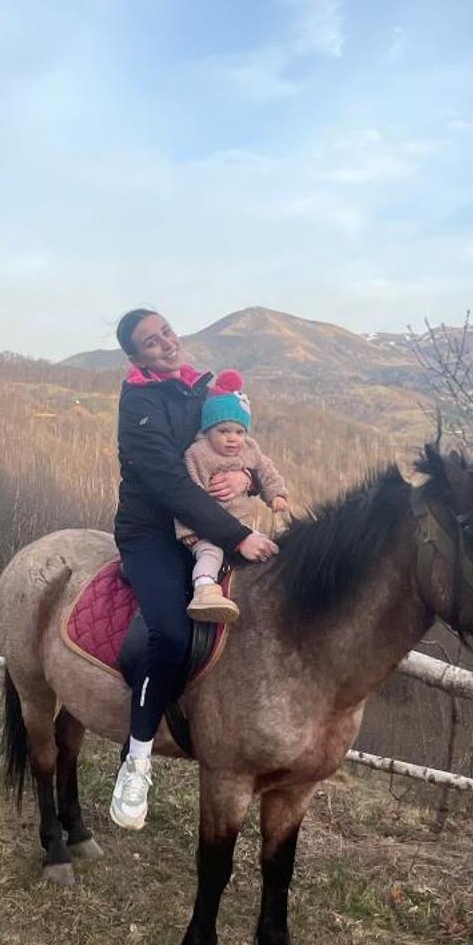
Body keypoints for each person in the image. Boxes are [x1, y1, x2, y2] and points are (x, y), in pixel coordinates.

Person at [108, 309, 279, 830]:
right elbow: (171, 486)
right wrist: (239, 535)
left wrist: (248, 481)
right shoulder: (140, 406)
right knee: (171, 633)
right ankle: (137, 758)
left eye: (166, 332)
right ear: (136, 357)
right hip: (155, 534)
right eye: (150, 342)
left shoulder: (197, 390)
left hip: (211, 527)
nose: (165, 343)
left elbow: (233, 444)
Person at [174, 370, 291, 625]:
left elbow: (267, 471)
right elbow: (187, 493)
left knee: (268, 549)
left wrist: (276, 494)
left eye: (239, 431)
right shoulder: (198, 454)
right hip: (205, 527)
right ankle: (204, 589)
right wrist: (187, 531)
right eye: (224, 430)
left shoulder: (250, 449)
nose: (232, 438)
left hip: (241, 526)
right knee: (211, 553)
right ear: (208, 431)